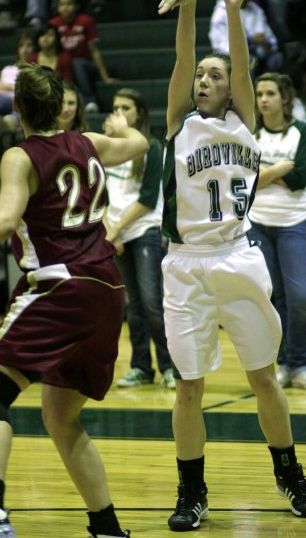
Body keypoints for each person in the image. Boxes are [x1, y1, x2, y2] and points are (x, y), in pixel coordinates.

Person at [158, 0, 306, 532]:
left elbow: (244, 64)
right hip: (184, 265)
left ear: (231, 88)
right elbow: (182, 61)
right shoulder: (179, 123)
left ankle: (291, 475)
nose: (203, 80)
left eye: (214, 75)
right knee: (188, 386)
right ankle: (191, 491)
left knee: (263, 377)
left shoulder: (245, 121)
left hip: (238, 256)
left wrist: (231, 7)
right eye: (200, 75)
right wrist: (189, 6)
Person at [0, 63, 149, 536]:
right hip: (106, 290)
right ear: (61, 107)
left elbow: (6, 221)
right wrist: (124, 127)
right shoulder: (89, 143)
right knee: (60, 418)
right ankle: (106, 526)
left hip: (59, 285)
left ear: (17, 107)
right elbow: (141, 144)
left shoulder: (19, 157)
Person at [248, 72, 306, 391]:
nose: (263, 99)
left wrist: (265, 174)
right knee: (270, 298)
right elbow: (245, 180)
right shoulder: (250, 134)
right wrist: (281, 169)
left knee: (299, 298)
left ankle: (300, 364)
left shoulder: (301, 132)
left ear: (285, 98)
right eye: (260, 93)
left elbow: (300, 178)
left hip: (294, 225)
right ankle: (282, 364)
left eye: (270, 93)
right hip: (259, 224)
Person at [104, 88, 175, 390]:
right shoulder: (106, 148)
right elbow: (100, 197)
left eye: (126, 108)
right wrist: (110, 231)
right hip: (117, 234)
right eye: (115, 107)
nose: (119, 113)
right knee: (131, 306)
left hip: (143, 230)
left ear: (139, 113)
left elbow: (147, 199)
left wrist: (115, 229)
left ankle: (171, 366)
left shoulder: (153, 147)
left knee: (151, 302)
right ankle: (141, 367)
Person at [50, 0, 115, 111]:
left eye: (69, 3)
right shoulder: (54, 24)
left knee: (76, 63)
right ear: (58, 7)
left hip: (86, 66)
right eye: (62, 4)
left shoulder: (86, 21)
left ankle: (90, 101)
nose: (65, 7)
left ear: (76, 6)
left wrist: (105, 77)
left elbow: (94, 50)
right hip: (64, 67)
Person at [209, 0, 283, 76]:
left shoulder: (256, 10)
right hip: (232, 60)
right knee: (247, 61)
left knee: (277, 58)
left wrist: (266, 44)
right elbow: (222, 48)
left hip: (259, 56)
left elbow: (272, 41)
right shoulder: (221, 12)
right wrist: (249, 41)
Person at [0, 33, 35, 119]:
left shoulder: (35, 70)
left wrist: (9, 87)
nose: (25, 50)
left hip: (21, 104)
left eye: (29, 45)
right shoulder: (7, 68)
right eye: (21, 46)